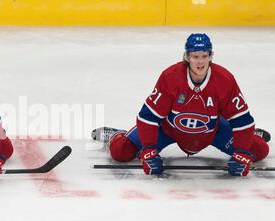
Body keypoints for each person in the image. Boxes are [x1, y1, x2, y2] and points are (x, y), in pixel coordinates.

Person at [92, 33, 270, 176]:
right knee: (120, 151)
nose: (200, 62)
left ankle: (250, 136)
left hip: (212, 131)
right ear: (187, 57)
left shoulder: (224, 80)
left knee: (259, 151)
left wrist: (241, 152)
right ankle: (117, 134)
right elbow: (148, 117)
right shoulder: (171, 77)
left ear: (210, 57)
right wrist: (148, 151)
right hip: (169, 129)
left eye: (204, 56)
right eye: (195, 56)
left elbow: (242, 121)